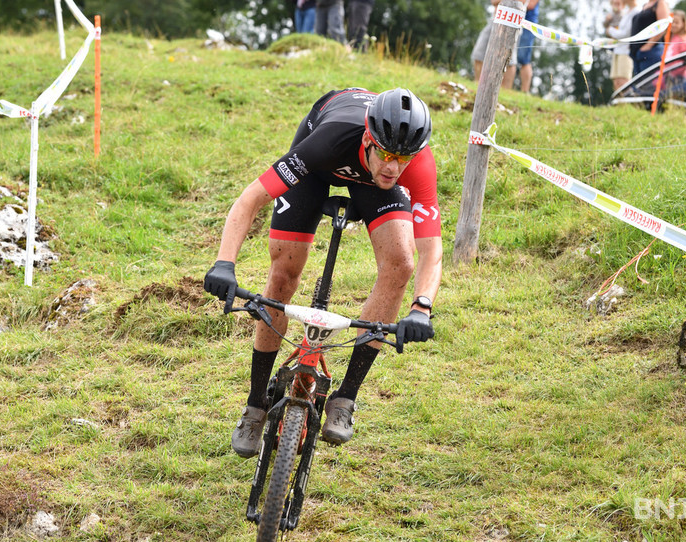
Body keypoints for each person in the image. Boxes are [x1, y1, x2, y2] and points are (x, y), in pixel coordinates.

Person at [204, 88, 442, 458]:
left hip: (374, 189)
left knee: (401, 263)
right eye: (386, 154)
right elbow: (251, 198)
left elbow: (430, 248)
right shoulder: (330, 140)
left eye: (403, 158)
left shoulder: (418, 166)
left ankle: (345, 399)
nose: (393, 166)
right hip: (321, 166)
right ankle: (255, 405)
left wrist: (422, 306)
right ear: (368, 138)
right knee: (284, 270)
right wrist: (224, 264)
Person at [471, 0, 518, 83]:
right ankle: (479, 84)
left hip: (513, 23)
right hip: (495, 19)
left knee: (509, 59)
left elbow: (523, 3)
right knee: (479, 53)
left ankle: (506, 91)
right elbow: (494, 1)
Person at [502, 0, 540, 93]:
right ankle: (505, 89)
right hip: (513, 21)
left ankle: (525, 91)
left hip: (528, 24)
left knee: (524, 59)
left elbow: (530, 5)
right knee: (508, 55)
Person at [605, 0, 640, 90]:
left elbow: (625, 33)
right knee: (616, 81)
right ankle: (619, 103)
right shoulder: (627, 12)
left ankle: (626, 103)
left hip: (626, 51)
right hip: (617, 49)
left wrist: (610, 30)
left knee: (623, 80)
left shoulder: (636, 11)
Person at [629, 0, 671, 75]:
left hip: (651, 51)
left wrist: (648, 45)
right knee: (641, 84)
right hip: (637, 54)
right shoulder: (644, 6)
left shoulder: (660, 3)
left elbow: (663, 26)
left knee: (652, 83)